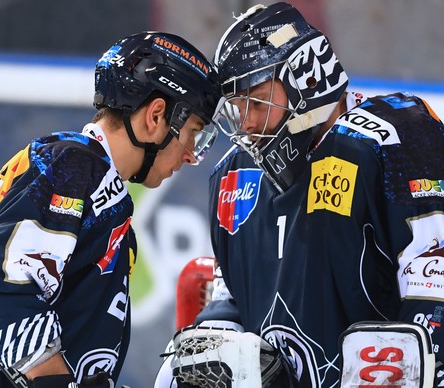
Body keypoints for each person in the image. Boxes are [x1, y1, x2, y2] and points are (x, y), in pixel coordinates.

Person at [0, 31, 221, 388]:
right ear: (157, 115)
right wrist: (52, 378)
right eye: (193, 131)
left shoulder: (80, 174)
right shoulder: (74, 168)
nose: (192, 152)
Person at [156, 2, 444, 387]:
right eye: (238, 109)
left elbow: (433, 287)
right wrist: (218, 342)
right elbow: (232, 302)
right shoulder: (233, 174)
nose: (250, 124)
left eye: (257, 102)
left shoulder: (393, 135)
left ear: (308, 79)